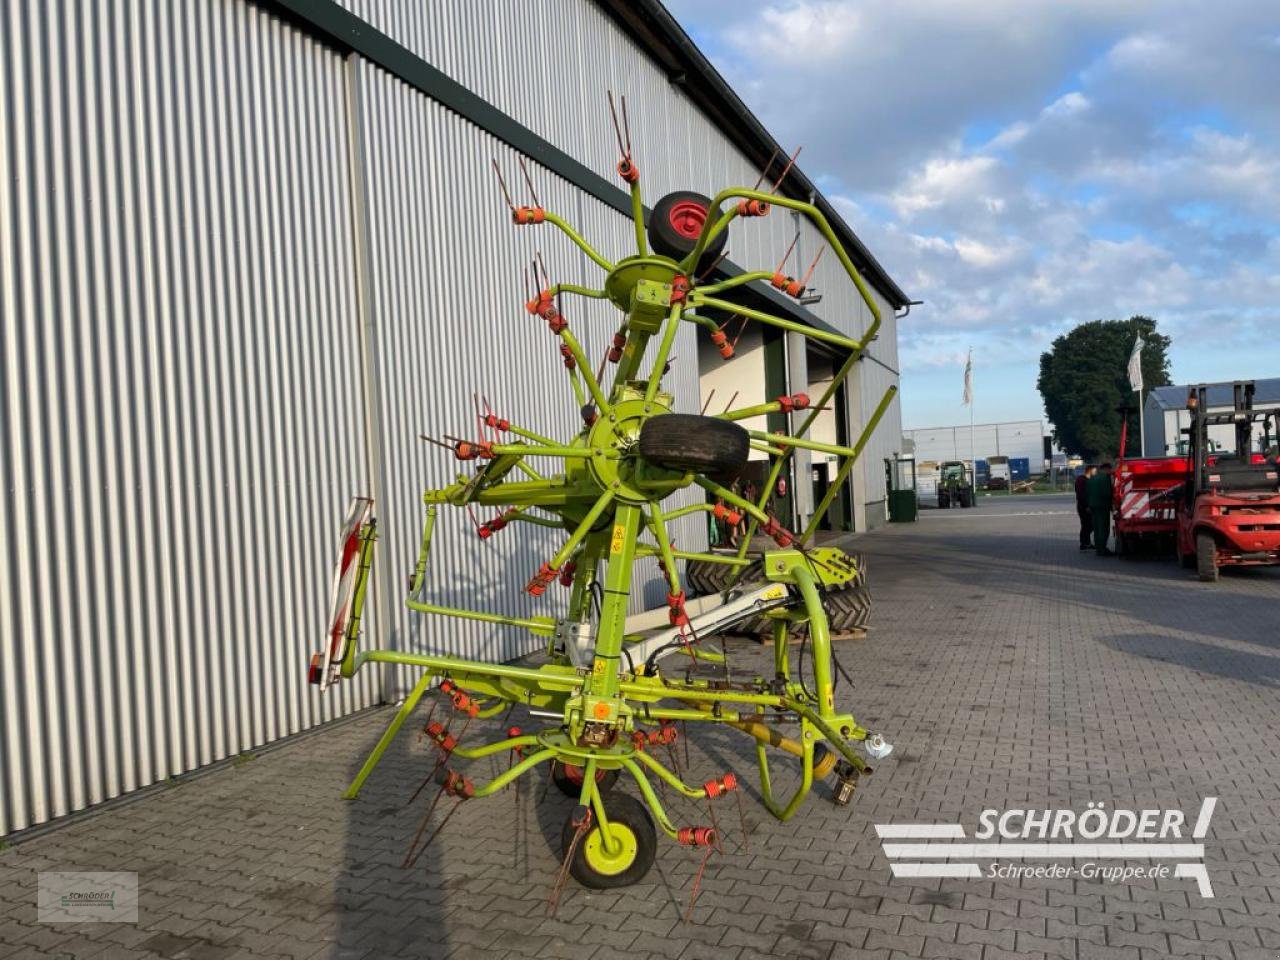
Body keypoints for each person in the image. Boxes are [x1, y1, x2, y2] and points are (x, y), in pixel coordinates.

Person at [1086, 463, 1114, 556]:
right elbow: (1107, 493)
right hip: (1102, 506)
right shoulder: (1105, 478)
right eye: (1110, 470)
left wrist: (1089, 505)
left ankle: (1098, 548)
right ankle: (1103, 549)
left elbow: (1087, 492)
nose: (1111, 472)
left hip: (1093, 506)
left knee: (1096, 528)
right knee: (1103, 528)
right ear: (1106, 469)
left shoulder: (1092, 478)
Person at [1074, 465, 1096, 550]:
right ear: (1089, 471)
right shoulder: (1081, 480)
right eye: (1094, 471)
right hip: (1083, 506)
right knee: (1087, 525)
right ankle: (1083, 544)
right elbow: (1080, 495)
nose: (1095, 472)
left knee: (1089, 525)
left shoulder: (1088, 480)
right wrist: (1086, 506)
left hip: (1087, 505)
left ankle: (1087, 543)